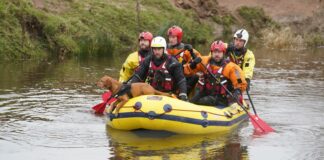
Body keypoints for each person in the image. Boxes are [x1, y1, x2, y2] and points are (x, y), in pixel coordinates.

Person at [183, 40, 247, 106]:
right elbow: (186, 71)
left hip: (221, 97)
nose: (217, 54)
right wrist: (192, 65)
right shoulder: (205, 61)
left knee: (204, 101)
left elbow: (240, 82)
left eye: (219, 52)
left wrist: (238, 91)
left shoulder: (232, 67)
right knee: (192, 101)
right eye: (215, 52)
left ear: (223, 53)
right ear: (211, 52)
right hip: (205, 92)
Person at [129, 36, 188, 101]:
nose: (156, 52)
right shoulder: (147, 60)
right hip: (150, 95)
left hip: (168, 96)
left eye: (159, 49)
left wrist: (183, 94)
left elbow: (181, 80)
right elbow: (138, 76)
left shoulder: (173, 62)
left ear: (164, 49)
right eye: (154, 49)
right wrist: (130, 88)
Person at [166, 25, 202, 93]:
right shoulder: (165, 49)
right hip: (167, 74)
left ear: (179, 38)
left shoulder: (186, 50)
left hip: (181, 75)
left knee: (195, 77)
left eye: (173, 37)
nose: (171, 39)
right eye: (170, 37)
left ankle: (183, 93)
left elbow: (199, 59)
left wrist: (192, 53)